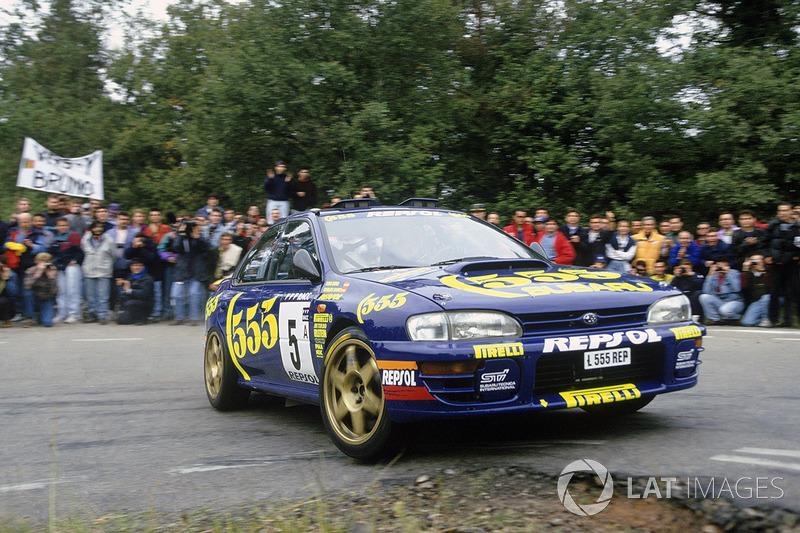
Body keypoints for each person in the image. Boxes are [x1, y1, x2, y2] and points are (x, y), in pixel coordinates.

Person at [764, 202, 800, 327]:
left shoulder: (797, 227)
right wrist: (767, 256)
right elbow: (764, 242)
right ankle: (772, 319)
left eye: (785, 210)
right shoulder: (772, 225)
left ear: (791, 212)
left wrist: (797, 255)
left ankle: (789, 320)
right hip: (776, 264)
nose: (783, 213)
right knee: (774, 293)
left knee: (793, 292)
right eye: (780, 210)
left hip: (792, 264)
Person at [170, 220, 210, 326]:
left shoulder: (200, 238)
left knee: (194, 294)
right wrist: (181, 234)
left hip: (196, 271)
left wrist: (198, 237)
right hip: (182, 271)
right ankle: (179, 317)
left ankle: (194, 318)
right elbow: (175, 248)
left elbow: (207, 248)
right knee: (176, 295)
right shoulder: (181, 238)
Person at [49, 217, 83, 324]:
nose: (63, 227)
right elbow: (53, 253)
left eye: (65, 225)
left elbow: (79, 252)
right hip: (59, 267)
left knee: (72, 290)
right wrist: (54, 264)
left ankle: (74, 313)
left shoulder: (73, 235)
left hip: (71, 266)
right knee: (61, 290)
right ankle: (62, 313)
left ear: (68, 226)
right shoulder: (55, 238)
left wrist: (74, 261)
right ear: (56, 226)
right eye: (60, 225)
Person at [81, 220, 115, 324]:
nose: (98, 229)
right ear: (92, 228)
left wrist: (106, 264)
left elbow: (113, 255)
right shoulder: (85, 239)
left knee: (103, 296)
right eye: (96, 227)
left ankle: (102, 315)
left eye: (100, 227)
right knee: (91, 296)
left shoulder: (109, 240)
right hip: (90, 270)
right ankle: (93, 314)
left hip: (104, 271)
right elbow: (84, 253)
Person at [698, 256, 744, 324]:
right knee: (703, 297)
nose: (721, 268)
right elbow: (706, 291)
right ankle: (715, 319)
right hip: (720, 301)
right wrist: (710, 275)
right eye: (719, 265)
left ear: (728, 266)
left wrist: (728, 274)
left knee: (724, 311)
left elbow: (737, 289)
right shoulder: (714, 275)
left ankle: (737, 318)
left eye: (723, 266)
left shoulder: (734, 273)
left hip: (734, 301)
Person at [115, 258, 155, 325]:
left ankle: (143, 318)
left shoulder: (147, 278)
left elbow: (144, 294)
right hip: (130, 305)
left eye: (138, 265)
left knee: (131, 303)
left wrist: (129, 290)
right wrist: (121, 285)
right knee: (121, 320)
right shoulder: (130, 277)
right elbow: (124, 293)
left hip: (145, 304)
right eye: (134, 266)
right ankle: (134, 317)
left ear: (143, 267)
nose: (136, 267)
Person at [23, 252, 58, 327]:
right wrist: (37, 274)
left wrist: (52, 278)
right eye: (41, 262)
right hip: (34, 298)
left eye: (46, 262)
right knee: (27, 293)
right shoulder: (31, 270)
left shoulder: (52, 271)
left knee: (48, 323)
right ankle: (30, 317)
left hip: (45, 298)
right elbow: (27, 286)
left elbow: (55, 292)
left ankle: (40, 315)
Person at [740, 254, 771, 327]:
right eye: (753, 260)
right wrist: (745, 269)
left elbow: (770, 287)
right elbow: (744, 287)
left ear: (763, 261)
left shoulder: (768, 271)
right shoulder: (748, 274)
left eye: (758, 260)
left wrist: (762, 271)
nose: (756, 262)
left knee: (766, 298)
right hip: (756, 301)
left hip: (768, 300)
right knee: (747, 323)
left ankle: (766, 319)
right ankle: (766, 321)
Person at [0, 256, 20, 327]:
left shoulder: (12, 275)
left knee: (3, 301)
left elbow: (13, 293)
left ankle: (7, 320)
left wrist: (7, 280)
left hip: (7, 299)